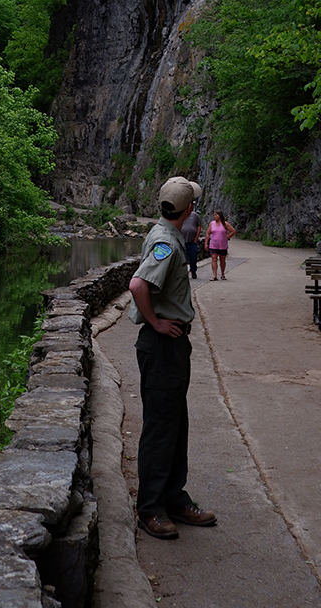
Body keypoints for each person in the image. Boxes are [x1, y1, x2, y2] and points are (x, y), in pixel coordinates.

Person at [128, 176, 217, 539]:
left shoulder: (163, 233)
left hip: (171, 347)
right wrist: (156, 322)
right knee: (161, 429)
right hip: (163, 345)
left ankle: (174, 499)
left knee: (174, 424)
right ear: (189, 209)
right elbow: (137, 285)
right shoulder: (166, 242)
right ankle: (150, 509)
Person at [180, 180, 203, 278]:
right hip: (182, 240)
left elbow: (199, 225)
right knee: (183, 258)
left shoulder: (195, 215)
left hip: (192, 241)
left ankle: (193, 271)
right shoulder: (182, 214)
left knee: (193, 257)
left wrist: (196, 237)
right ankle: (183, 273)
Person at [205, 209, 236, 281]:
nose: (214, 216)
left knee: (222, 260)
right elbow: (208, 233)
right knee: (214, 259)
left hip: (222, 245)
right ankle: (214, 275)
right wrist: (206, 243)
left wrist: (227, 237)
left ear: (220, 216)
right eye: (214, 215)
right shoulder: (212, 224)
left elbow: (233, 231)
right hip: (213, 244)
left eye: (216, 215)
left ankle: (222, 274)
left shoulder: (225, 224)